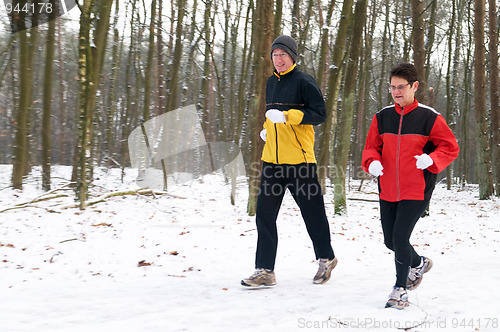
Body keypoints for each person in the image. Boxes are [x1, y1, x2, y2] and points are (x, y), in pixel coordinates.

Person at [241, 35, 337, 287]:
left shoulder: (304, 81)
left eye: (283, 54)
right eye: (275, 55)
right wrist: (267, 129)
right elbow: (271, 115)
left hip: (299, 162)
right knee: (264, 214)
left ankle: (326, 258)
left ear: (292, 57)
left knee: (312, 212)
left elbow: (319, 114)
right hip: (272, 160)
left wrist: (288, 116)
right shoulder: (271, 82)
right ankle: (265, 270)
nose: (278, 59)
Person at [362, 63, 459, 309]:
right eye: (392, 87)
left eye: (401, 87)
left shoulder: (429, 117)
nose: (396, 92)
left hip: (417, 189)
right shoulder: (382, 117)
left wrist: (432, 160)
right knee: (390, 242)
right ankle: (419, 263)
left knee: (399, 237)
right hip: (388, 189)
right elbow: (371, 147)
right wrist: (371, 162)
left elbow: (450, 147)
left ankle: (400, 289)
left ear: (414, 86)